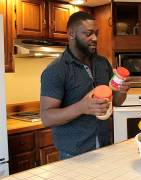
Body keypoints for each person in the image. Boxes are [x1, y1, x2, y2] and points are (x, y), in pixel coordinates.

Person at [40, 12, 130, 160]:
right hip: (73, 155)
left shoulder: (102, 63)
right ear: (71, 34)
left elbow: (115, 102)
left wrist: (122, 91)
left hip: (104, 147)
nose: (94, 38)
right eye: (88, 34)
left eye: (96, 33)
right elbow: (47, 118)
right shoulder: (56, 70)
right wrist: (82, 107)